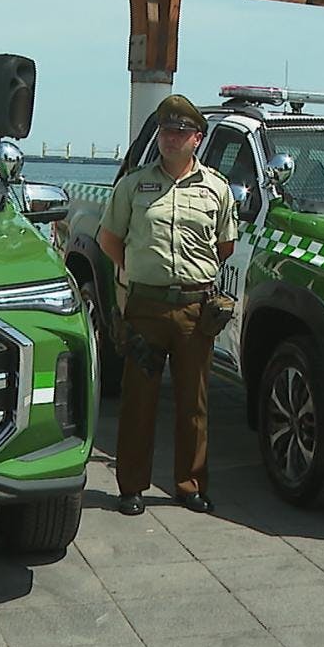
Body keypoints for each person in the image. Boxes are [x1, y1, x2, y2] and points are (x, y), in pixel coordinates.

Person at [98, 95, 237, 516]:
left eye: (179, 132)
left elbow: (225, 245)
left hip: (196, 310)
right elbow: (110, 240)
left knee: (193, 403)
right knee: (138, 401)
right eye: (164, 131)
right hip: (147, 307)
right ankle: (131, 487)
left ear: (197, 138)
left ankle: (190, 484)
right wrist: (138, 272)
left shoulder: (217, 188)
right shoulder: (134, 185)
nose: (170, 139)